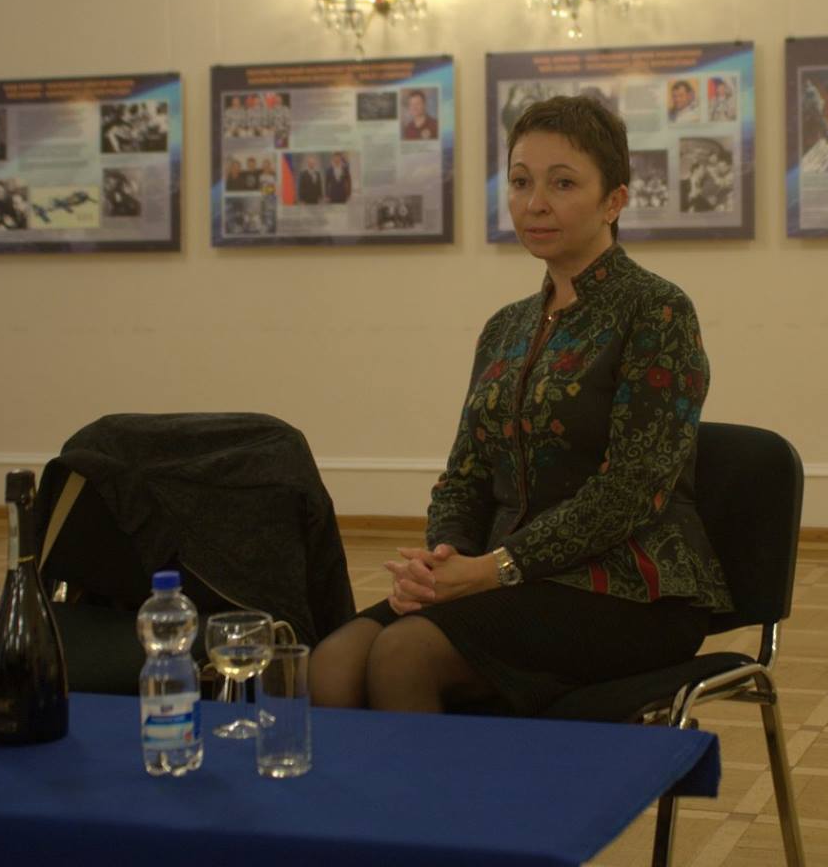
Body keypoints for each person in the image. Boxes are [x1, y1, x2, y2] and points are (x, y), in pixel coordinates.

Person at [311, 95, 731, 716]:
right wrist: (445, 560)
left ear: (614, 201)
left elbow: (632, 490)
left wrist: (495, 569)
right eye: (520, 182)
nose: (535, 203)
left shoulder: (657, 309)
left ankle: (448, 788)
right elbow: (465, 474)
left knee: (404, 653)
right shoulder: (505, 327)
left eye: (563, 183)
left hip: (632, 588)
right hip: (504, 576)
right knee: (334, 660)